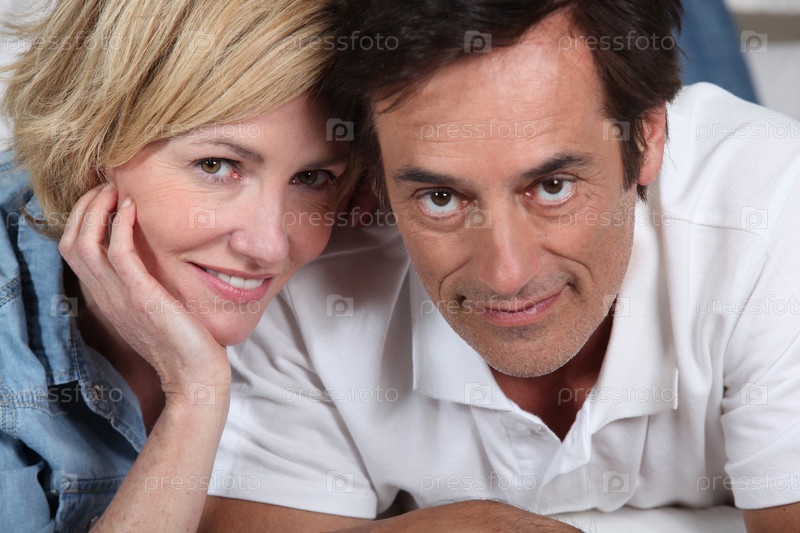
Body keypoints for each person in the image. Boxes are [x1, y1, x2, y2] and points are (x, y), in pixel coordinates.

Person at [195, 0, 800, 531]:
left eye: (553, 186)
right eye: (440, 198)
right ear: (373, 180)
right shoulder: (311, 257)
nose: (506, 275)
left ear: (648, 138)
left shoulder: (772, 211)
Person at [0, 0, 354, 530]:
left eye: (312, 178)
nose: (270, 246)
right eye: (217, 165)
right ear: (90, 151)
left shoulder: (354, 276)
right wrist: (195, 396)